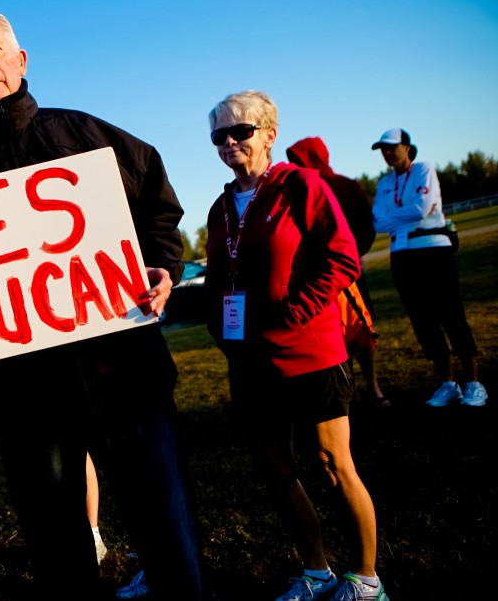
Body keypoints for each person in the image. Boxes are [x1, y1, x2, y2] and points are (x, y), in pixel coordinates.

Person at [0, 6, 203, 599]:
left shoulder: (89, 136)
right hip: (24, 400)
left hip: (124, 376)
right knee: (56, 544)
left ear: (21, 61)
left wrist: (162, 265)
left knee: (166, 527)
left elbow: (158, 208)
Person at [204, 91, 388, 601]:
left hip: (310, 353)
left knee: (333, 466)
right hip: (250, 361)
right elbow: (220, 277)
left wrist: (292, 313)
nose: (229, 142)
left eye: (240, 131)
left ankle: (367, 580)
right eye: (219, 135)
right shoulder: (221, 207)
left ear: (269, 135)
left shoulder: (301, 185)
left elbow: (343, 258)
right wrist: (222, 331)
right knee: (275, 469)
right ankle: (316, 571)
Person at [370, 128, 485, 408]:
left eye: (391, 147)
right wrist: (402, 219)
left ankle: (474, 383)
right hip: (402, 255)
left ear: (407, 147)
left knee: (451, 314)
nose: (387, 153)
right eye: (382, 149)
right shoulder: (385, 183)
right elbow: (377, 222)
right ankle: (448, 384)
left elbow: (420, 209)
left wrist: (396, 219)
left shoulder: (423, 169)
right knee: (422, 320)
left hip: (433, 251)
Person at [286, 137, 387, 408]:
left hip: (347, 272)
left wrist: (352, 255)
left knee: (361, 329)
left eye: (299, 159)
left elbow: (366, 226)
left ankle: (374, 388)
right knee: (335, 333)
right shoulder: (296, 189)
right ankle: (350, 391)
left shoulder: (344, 186)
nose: (295, 165)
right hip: (316, 277)